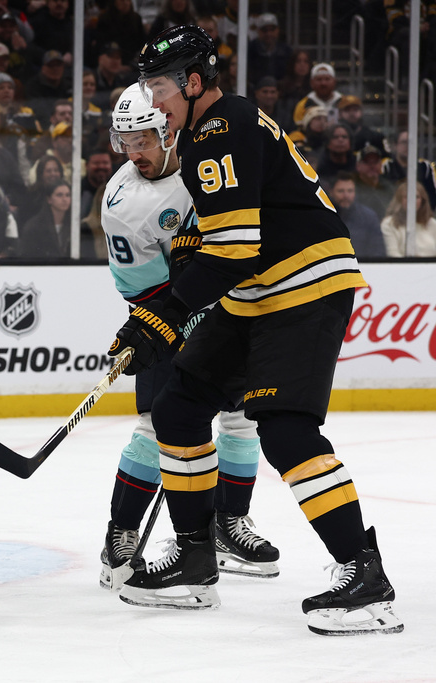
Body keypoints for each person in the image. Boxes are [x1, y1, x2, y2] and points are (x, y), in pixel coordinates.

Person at [110, 24, 401, 635]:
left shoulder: (221, 127)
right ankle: (194, 560)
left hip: (302, 287)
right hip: (258, 294)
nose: (153, 100)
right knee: (180, 406)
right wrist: (151, 315)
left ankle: (364, 576)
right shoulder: (206, 137)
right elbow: (210, 244)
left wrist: (163, 316)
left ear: (194, 82)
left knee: (287, 434)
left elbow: (235, 248)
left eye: (159, 86)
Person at [98, 84, 279, 592]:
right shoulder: (124, 201)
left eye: (144, 141)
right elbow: (138, 288)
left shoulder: (211, 156)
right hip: (168, 317)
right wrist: (178, 318)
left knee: (242, 417)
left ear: (169, 131)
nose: (135, 154)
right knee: (158, 425)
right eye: (125, 142)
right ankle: (122, 531)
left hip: (234, 307)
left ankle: (227, 524)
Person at [330, 172, 386, 258]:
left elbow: (378, 251)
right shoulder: (325, 216)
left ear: (355, 192)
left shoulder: (368, 217)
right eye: (341, 191)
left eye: (350, 191)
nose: (346, 196)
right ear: (331, 192)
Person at [381, 180, 436, 257]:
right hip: (402, 268)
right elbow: (392, 254)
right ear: (399, 200)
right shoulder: (389, 224)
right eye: (407, 197)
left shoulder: (432, 224)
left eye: (417, 197)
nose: (412, 200)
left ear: (423, 200)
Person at [20, 180, 71, 258]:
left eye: (67, 195)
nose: (65, 199)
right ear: (49, 199)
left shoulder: (74, 224)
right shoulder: (34, 226)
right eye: (59, 195)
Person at [292, 62, 343, 128]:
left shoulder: (344, 102)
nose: (323, 83)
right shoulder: (303, 105)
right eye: (319, 79)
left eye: (327, 79)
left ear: (334, 81)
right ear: (311, 82)